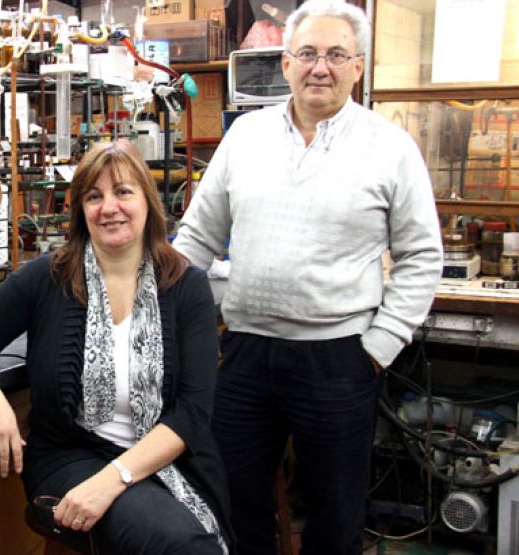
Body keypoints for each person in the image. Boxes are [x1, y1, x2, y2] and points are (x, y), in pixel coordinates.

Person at [172, 1, 443, 553]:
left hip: (339, 357)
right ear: (287, 63)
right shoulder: (246, 136)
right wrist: (169, 320)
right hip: (245, 354)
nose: (321, 67)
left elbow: (421, 255)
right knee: (232, 499)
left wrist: (380, 344)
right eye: (308, 54)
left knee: (335, 512)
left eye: (336, 54)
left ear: (358, 66)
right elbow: (196, 239)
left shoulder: (389, 148)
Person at [0, 140, 232, 554]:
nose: (109, 207)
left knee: (192, 540)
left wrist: (112, 480)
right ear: (80, 210)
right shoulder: (48, 277)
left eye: (123, 192)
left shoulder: (184, 285)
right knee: (181, 546)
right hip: (71, 457)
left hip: (167, 462)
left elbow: (193, 414)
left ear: (147, 202)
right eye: (94, 196)